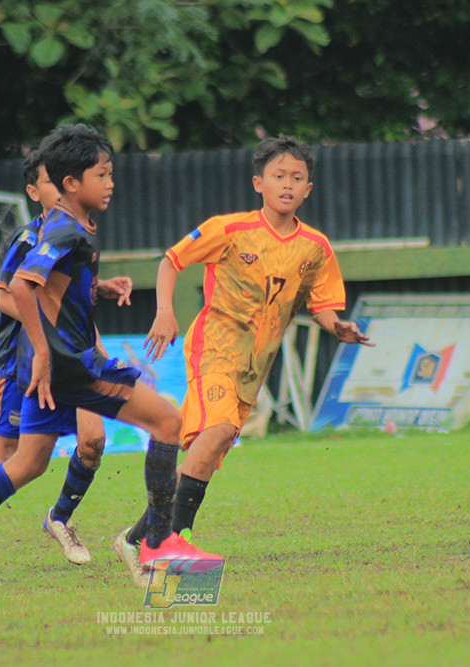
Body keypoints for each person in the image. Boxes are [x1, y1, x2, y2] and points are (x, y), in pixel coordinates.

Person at [0, 124, 221, 609]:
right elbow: (20, 286)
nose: (111, 182)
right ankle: (158, 544)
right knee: (167, 421)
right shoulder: (65, 228)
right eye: (102, 174)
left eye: (110, 173)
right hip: (73, 366)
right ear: (71, 183)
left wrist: (94, 291)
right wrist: (44, 350)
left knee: (27, 463)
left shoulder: (71, 225)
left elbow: (53, 288)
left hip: (54, 369)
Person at [113, 135, 374, 586]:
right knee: (215, 433)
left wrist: (337, 327)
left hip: (254, 368)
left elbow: (323, 304)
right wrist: (165, 311)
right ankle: (169, 542)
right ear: (259, 183)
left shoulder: (315, 248)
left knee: (205, 455)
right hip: (213, 348)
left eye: (297, 178)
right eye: (279, 176)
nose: (287, 184)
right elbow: (171, 261)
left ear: (308, 189)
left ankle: (135, 539)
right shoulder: (229, 229)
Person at [0, 147, 134, 586]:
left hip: (73, 358)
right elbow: (7, 296)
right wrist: (47, 326)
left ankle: (59, 517)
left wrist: (100, 290)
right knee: (9, 456)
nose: (60, 188)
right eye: (50, 182)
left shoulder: (77, 230)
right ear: (34, 191)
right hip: (23, 363)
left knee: (93, 441)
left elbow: (68, 294)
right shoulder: (29, 238)